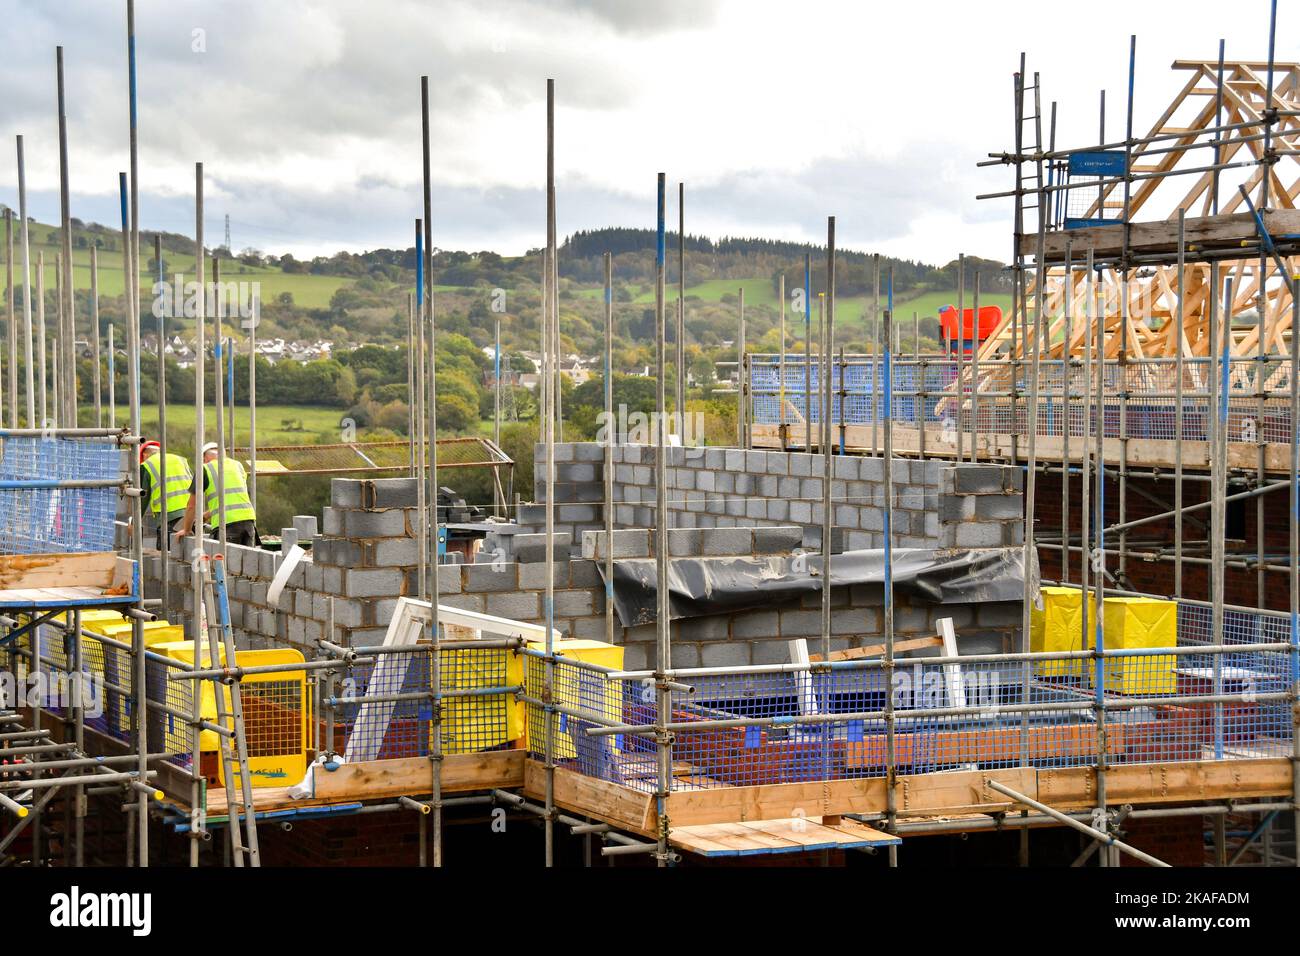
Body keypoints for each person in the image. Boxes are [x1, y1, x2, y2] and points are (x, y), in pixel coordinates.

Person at [176, 442, 260, 548]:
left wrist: (187, 530)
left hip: (227, 526)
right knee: (248, 562)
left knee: (223, 562)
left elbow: (192, 505)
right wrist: (206, 515)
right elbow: (231, 499)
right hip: (248, 523)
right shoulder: (237, 465)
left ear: (204, 458)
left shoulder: (205, 469)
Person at [139, 440, 192, 550]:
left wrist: (135, 521)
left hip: (170, 517)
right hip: (191, 516)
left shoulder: (147, 465)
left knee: (166, 558)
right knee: (190, 556)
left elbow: (143, 497)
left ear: (144, 454)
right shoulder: (181, 460)